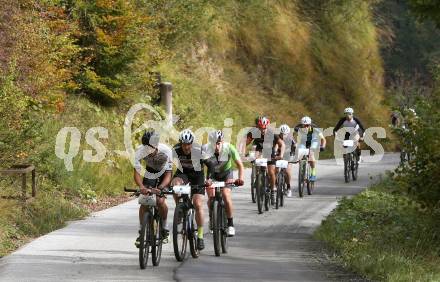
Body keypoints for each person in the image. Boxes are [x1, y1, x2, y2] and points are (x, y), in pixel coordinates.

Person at [133, 130, 172, 248]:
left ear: (156, 145)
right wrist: (141, 187)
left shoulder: (166, 151)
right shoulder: (140, 151)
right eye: (146, 148)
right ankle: (142, 231)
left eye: (150, 148)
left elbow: (169, 174)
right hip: (150, 172)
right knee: (144, 201)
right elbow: (137, 172)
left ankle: (165, 228)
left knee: (160, 201)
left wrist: (160, 188)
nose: (148, 151)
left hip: (164, 174)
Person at [204, 130, 245, 237]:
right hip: (212, 175)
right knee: (211, 198)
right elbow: (198, 166)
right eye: (214, 144)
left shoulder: (229, 147)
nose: (216, 146)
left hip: (226, 174)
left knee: (226, 196)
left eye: (218, 143)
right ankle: (212, 218)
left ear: (222, 142)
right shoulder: (206, 149)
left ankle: (230, 224)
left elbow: (240, 165)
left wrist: (240, 179)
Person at [171, 129, 206, 250]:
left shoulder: (198, 150)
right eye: (184, 144)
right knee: (175, 185)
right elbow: (168, 166)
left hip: (198, 176)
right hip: (183, 173)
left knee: (197, 203)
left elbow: (210, 164)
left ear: (192, 143)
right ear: (180, 143)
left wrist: (210, 178)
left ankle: (200, 236)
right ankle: (179, 208)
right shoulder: (175, 149)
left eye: (188, 144)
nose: (186, 147)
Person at [246, 116, 285, 204]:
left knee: (271, 172)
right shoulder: (254, 132)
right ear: (257, 127)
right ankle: (258, 175)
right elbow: (245, 142)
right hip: (259, 150)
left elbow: (282, 144)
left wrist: (281, 155)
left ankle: (273, 190)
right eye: (260, 128)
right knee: (256, 159)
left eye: (264, 128)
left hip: (270, 152)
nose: (262, 130)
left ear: (267, 127)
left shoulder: (272, 133)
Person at [294, 116, 326, 181]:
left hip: (313, 142)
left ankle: (313, 173)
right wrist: (294, 144)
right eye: (304, 125)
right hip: (303, 142)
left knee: (311, 154)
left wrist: (323, 146)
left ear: (310, 124)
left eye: (307, 125)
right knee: (300, 154)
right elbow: (292, 136)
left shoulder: (315, 129)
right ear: (301, 125)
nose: (306, 127)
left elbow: (323, 139)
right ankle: (302, 169)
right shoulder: (298, 128)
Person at [278, 124, 295, 197]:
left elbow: (295, 148)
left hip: (288, 155)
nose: (284, 135)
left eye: (285, 134)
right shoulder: (277, 138)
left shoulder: (291, 139)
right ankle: (275, 184)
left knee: (287, 171)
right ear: (280, 133)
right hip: (278, 155)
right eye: (282, 134)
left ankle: (288, 188)